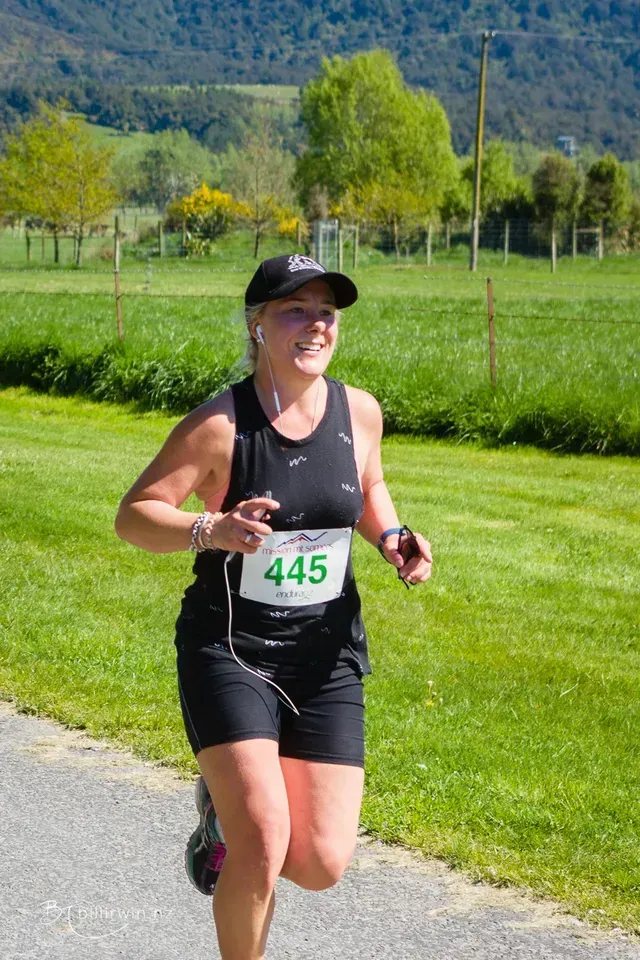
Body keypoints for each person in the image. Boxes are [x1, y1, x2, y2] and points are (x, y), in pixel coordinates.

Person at [115, 253, 433, 960]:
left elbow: (366, 485)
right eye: (295, 309)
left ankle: (221, 822)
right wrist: (212, 529)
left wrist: (391, 537)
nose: (315, 324)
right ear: (257, 325)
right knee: (264, 837)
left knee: (319, 861)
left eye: (326, 310)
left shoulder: (360, 412)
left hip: (324, 654)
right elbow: (134, 515)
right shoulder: (221, 426)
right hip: (231, 650)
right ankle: (238, 832)